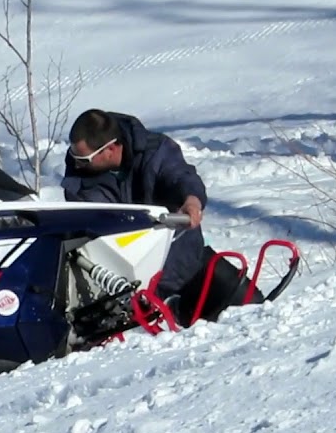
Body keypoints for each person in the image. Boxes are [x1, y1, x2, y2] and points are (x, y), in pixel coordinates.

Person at [61, 108, 240, 325]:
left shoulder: (156, 151)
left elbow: (180, 175)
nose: (76, 163)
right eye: (74, 155)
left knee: (246, 310)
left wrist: (191, 199)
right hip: (132, 284)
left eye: (84, 158)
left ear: (110, 149)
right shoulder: (79, 178)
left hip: (185, 260)